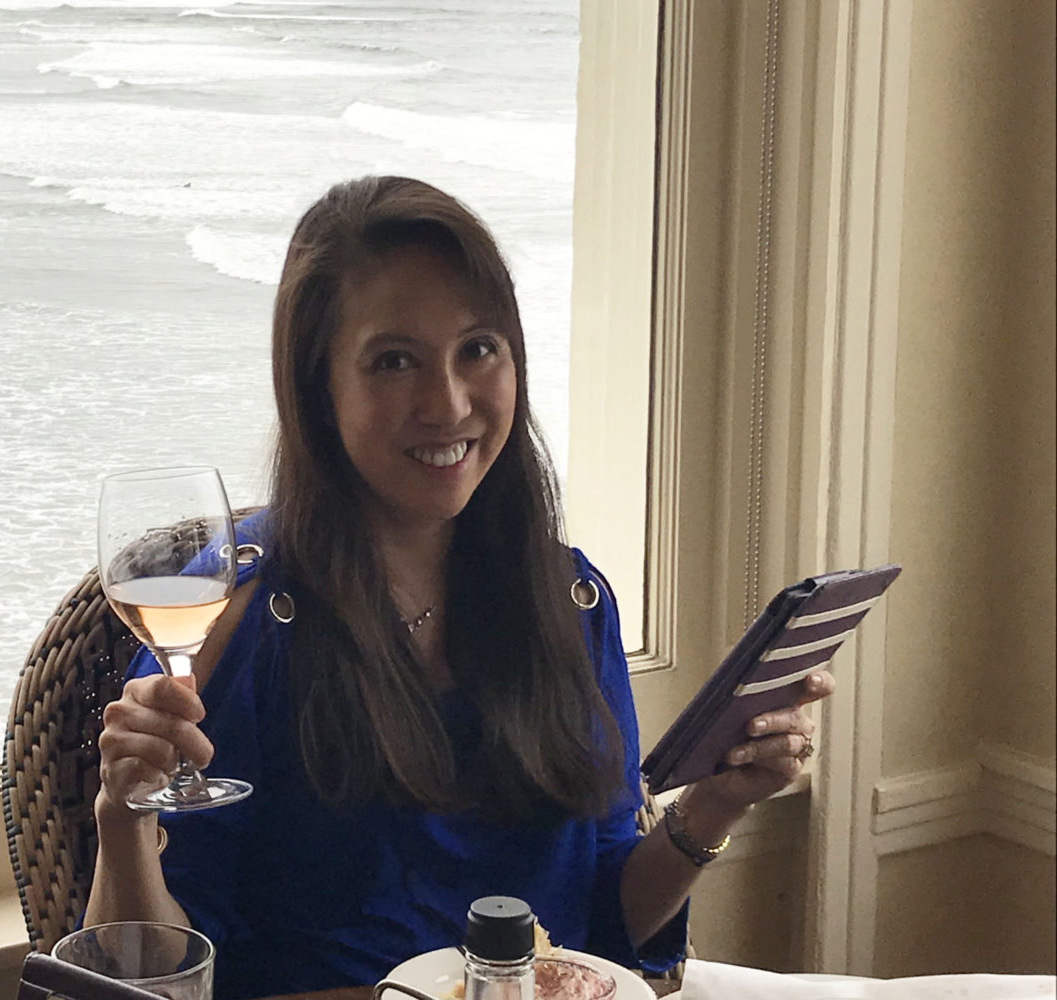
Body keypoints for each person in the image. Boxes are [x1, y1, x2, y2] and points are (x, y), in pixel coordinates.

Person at [84, 176, 830, 996]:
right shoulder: (244, 623)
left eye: (478, 348)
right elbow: (149, 979)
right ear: (317, 388)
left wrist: (718, 801)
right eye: (394, 361)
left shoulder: (568, 599)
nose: (447, 404)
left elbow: (605, 922)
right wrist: (124, 819)